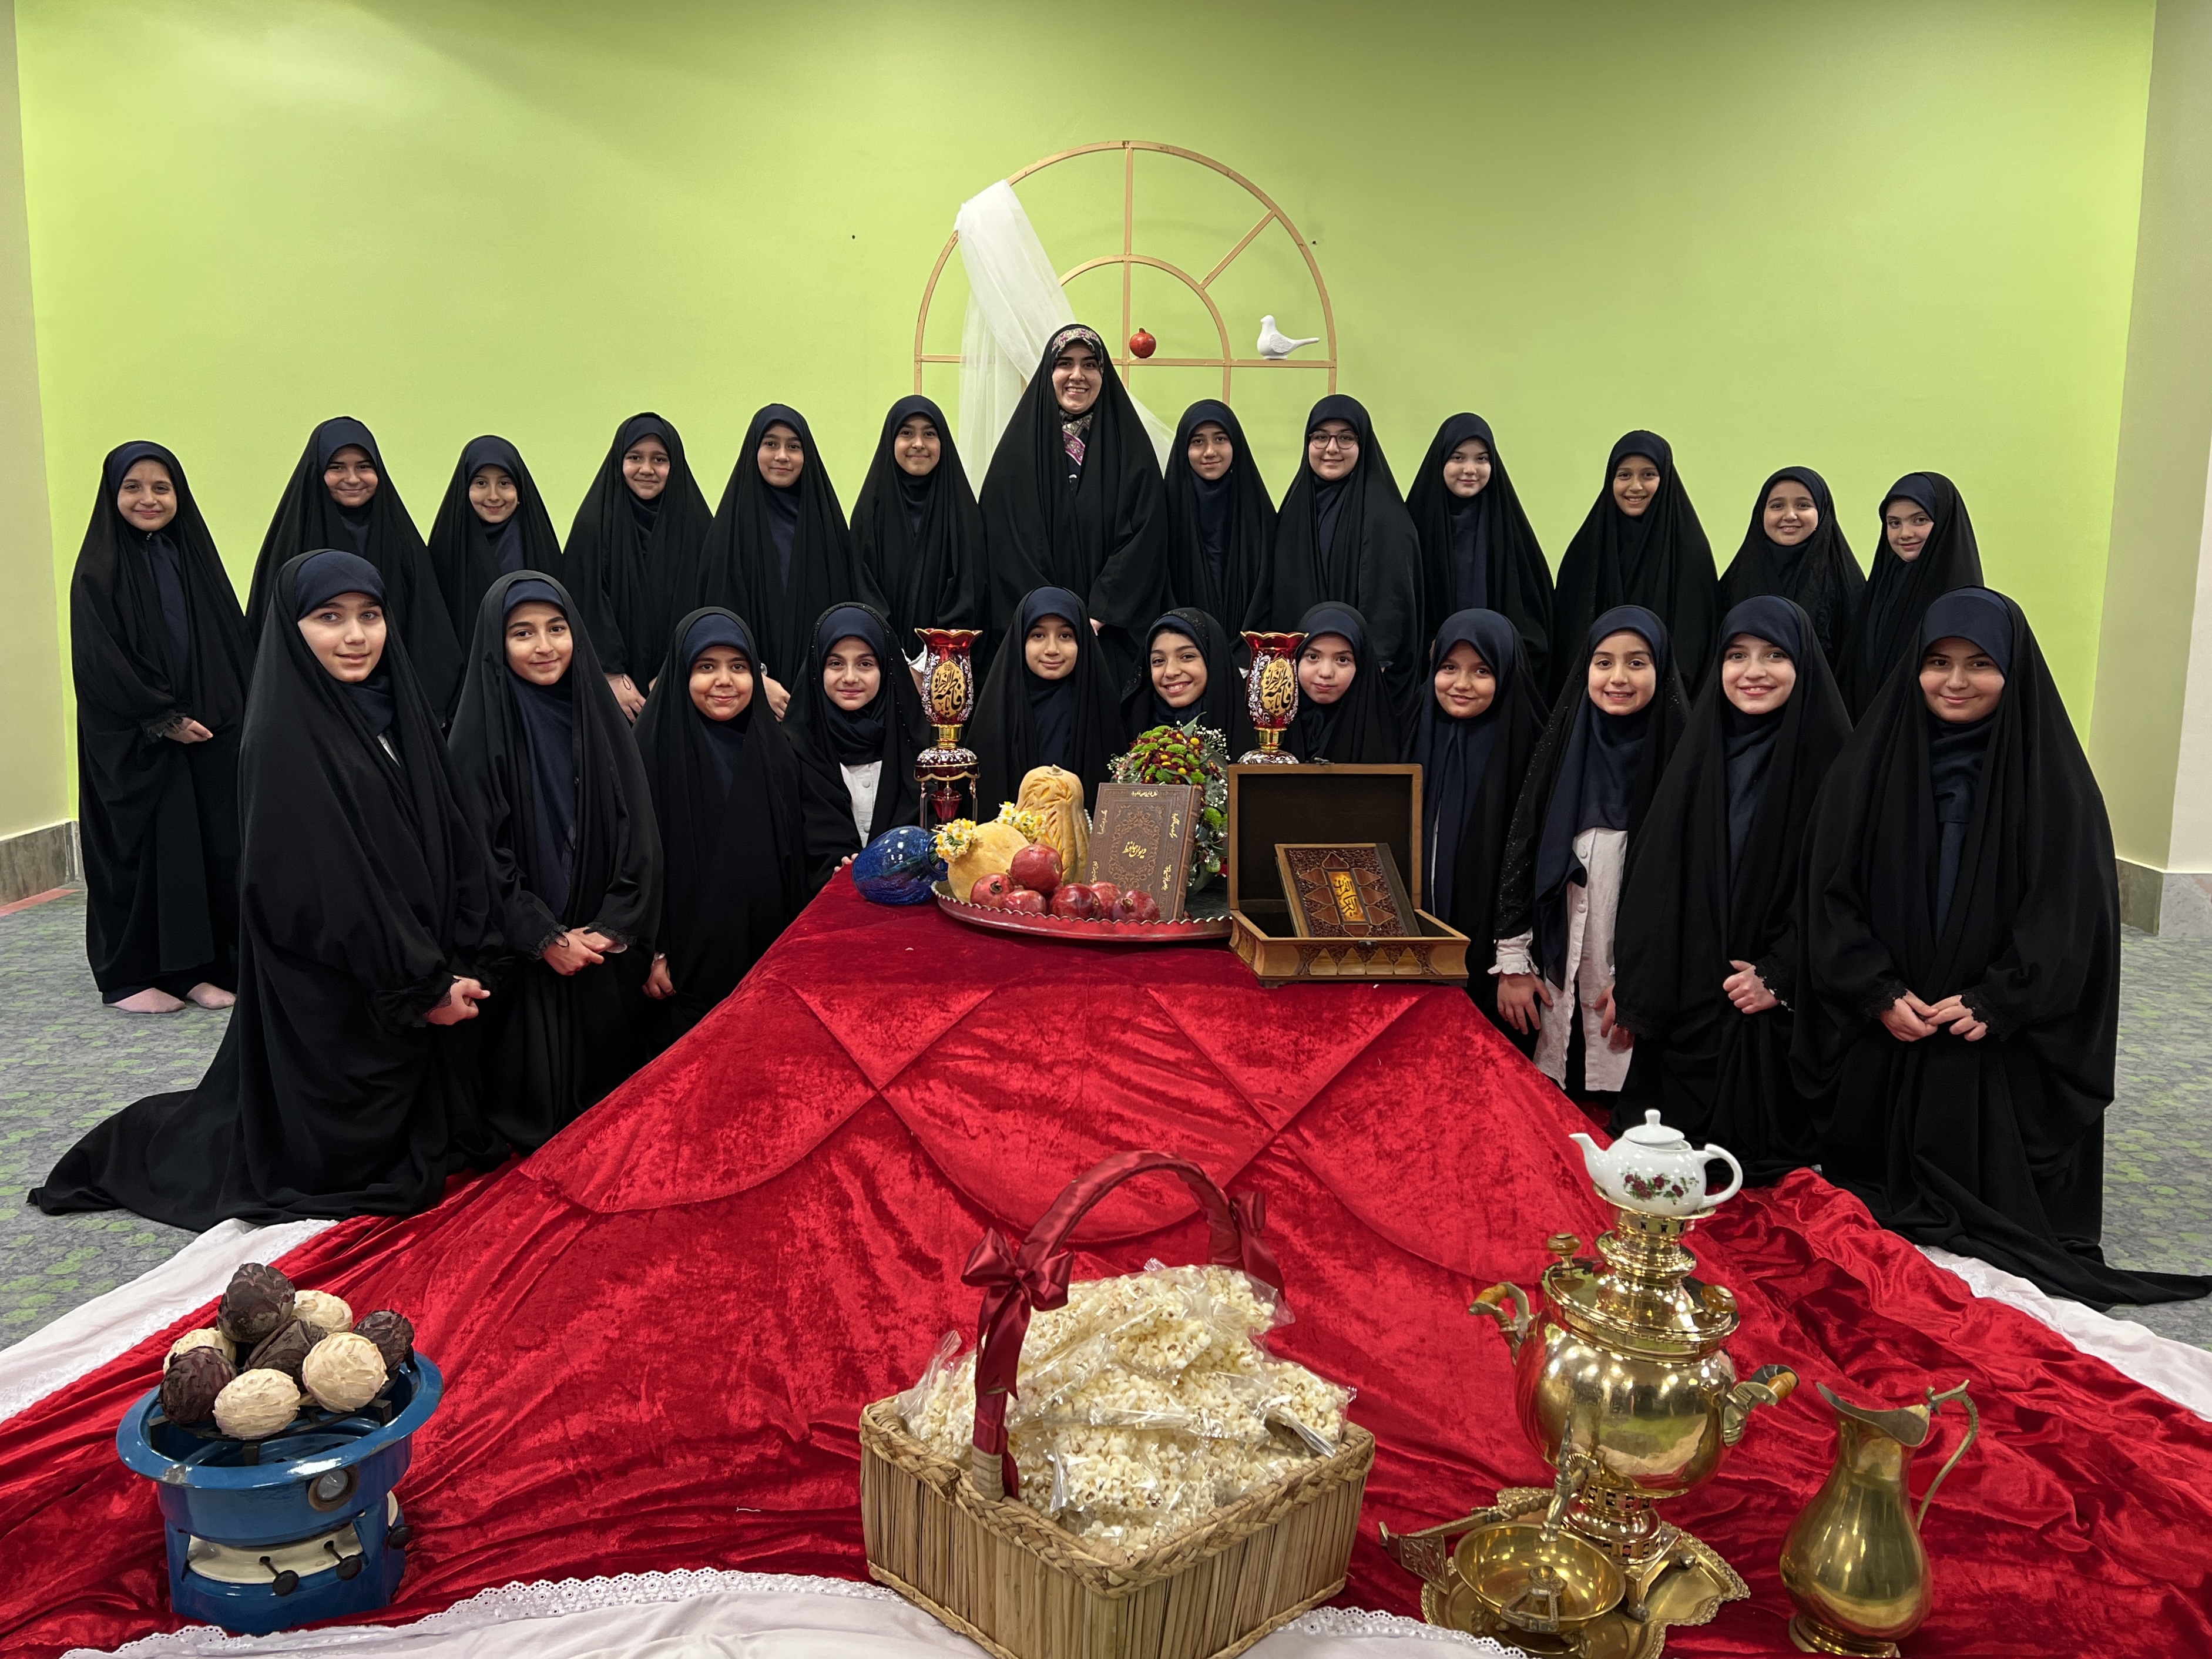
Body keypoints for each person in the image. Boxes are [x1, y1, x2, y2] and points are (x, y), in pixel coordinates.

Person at [32, 550, 502, 1228]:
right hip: (336, 990)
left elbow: (452, 834)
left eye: (370, 615)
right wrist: (421, 985)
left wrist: (457, 951)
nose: (355, 636)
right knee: (355, 1162)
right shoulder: (285, 737)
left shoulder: (398, 712)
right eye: (329, 618)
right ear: (292, 627)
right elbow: (327, 895)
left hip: (408, 965)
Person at [1794, 588, 2208, 1309]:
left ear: (2013, 672)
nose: (1955, 681)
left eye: (1980, 664)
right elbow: (1829, 892)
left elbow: (2069, 915)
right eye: (1938, 662)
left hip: (1993, 1035)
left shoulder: (2054, 780)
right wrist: (1875, 988)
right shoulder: (1869, 766)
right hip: (1893, 1021)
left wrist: (2001, 998)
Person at [1612, 597, 1850, 1167]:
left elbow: (1851, 895)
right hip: (1691, 1006)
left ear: (1803, 664)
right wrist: (1637, 986)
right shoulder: (1699, 754)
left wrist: (1783, 973)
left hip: (1778, 1022)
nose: (1753, 672)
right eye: (1737, 655)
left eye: (1775, 655)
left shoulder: (1840, 768)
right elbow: (1658, 883)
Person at [448, 573, 662, 1153]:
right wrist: (544, 937)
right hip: (525, 965)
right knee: (538, 1121)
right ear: (497, 643)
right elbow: (479, 856)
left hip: (603, 955)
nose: (544, 646)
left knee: (618, 1112)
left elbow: (639, 833)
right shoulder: (475, 738)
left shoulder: (603, 722)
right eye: (523, 633)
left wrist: (612, 925)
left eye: (557, 629)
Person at [71, 442, 253, 1014]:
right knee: (143, 854)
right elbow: (101, 662)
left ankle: (194, 970)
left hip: (202, 737)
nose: (148, 499)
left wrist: (227, 713)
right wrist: (161, 717)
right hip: (135, 740)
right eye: (133, 487)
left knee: (201, 854)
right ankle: (129, 977)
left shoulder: (192, 558)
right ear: (112, 494)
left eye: (161, 487)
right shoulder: (99, 570)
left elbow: (229, 642)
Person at [1493, 606, 1689, 1104]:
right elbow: (1521, 851)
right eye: (1603, 662)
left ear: (1662, 670)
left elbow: (1687, 892)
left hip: (1640, 1007)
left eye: (1636, 663)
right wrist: (1512, 963)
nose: (1617, 678)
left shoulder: (1684, 765)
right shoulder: (1561, 754)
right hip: (1552, 990)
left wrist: (1639, 983)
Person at [634, 608, 834, 1040]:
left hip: (765, 965)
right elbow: (635, 864)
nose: (724, 681)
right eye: (706, 667)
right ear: (682, 674)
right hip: (679, 972)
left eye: (738, 667)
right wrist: (652, 953)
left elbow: (796, 864)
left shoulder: (780, 754)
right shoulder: (648, 756)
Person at [979, 324, 1167, 689]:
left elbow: (1146, 535)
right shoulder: (1017, 454)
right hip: (1035, 639)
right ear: (1048, 373)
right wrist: (1053, 620)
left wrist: (1097, 613)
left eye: (1090, 364)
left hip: (1110, 637)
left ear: (1104, 374)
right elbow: (1005, 540)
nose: (1077, 375)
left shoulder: (1132, 452)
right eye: (1065, 363)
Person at [246, 417, 464, 714]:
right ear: (317, 471)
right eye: (337, 467)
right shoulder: (292, 540)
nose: (352, 479)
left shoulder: (403, 542)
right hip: (308, 703)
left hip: (397, 703)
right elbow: (270, 630)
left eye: (363, 467)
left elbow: (428, 626)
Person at [1406, 609, 1549, 1049]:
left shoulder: (1531, 750)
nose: (1461, 684)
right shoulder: (1412, 735)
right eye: (1449, 667)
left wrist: (1515, 962)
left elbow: (1533, 865)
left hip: (1494, 958)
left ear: (1506, 674)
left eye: (1481, 671)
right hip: (1415, 952)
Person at [699, 404, 881, 723]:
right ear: (754, 451)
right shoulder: (728, 533)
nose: (782, 456)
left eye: (794, 446)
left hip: (820, 700)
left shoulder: (830, 530)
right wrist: (755, 679)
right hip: (744, 701)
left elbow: (844, 618)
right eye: (771, 444)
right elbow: (718, 620)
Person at [1248, 395, 1422, 723]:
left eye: (1345, 438)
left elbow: (1392, 605)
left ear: (1362, 444)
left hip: (1360, 684)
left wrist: (1366, 669)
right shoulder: (1294, 509)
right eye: (1320, 437)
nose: (1331, 448)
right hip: (1296, 684)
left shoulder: (1387, 517)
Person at [562, 413, 716, 723]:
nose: (647, 469)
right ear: (619, 461)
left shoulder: (698, 527)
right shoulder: (593, 525)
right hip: (610, 691)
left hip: (685, 683)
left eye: (659, 459)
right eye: (635, 457)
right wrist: (610, 675)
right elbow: (584, 600)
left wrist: (676, 668)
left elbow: (708, 601)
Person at [1548, 432, 1717, 703]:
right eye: (1624, 475)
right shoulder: (1586, 550)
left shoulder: (1690, 552)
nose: (1635, 486)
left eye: (1648, 475)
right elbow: (1568, 638)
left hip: (1669, 705)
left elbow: (1697, 642)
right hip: (1594, 700)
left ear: (1665, 479)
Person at [1407, 414, 1555, 691]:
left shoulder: (1510, 531)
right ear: (1441, 460)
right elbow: (1401, 607)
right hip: (1429, 677)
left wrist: (1498, 649)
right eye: (1458, 457)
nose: (1470, 469)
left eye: (1482, 459)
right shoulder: (1413, 527)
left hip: (1497, 678)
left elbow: (1534, 617)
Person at [1833, 472, 1984, 720]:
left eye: (1920, 520)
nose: (1905, 533)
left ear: (1943, 522)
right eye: (1894, 523)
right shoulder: (1884, 583)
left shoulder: (1958, 593)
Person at [785, 601, 928, 862]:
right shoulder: (793, 750)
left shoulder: (919, 747)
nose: (850, 677)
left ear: (886, 669)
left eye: (865, 664)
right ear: (817, 669)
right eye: (836, 664)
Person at [849, 395, 986, 663]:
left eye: (929, 434)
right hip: (881, 662)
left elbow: (970, 591)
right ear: (891, 441)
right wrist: (895, 659)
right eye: (907, 433)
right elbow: (863, 589)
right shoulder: (869, 513)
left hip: (949, 665)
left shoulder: (963, 514)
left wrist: (931, 660)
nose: (919, 443)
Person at [969, 586, 1122, 810]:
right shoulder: (996, 717)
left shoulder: (1101, 714)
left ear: (1082, 641)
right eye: (1038, 635)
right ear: (1021, 640)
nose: (1052, 649)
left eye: (1065, 636)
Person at [425, 435, 565, 656]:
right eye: (481, 483)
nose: (493, 496)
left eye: (504, 483)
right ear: (465, 489)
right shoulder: (446, 549)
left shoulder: (539, 545)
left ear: (519, 490)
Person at [1714, 467, 1863, 672]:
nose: (1790, 515)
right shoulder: (1735, 582)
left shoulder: (1848, 584)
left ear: (1822, 511)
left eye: (1803, 505)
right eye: (1777, 506)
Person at [1162, 401, 1274, 637]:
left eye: (1220, 439)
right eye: (1198, 441)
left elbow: (1269, 590)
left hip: (1248, 647)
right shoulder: (1165, 510)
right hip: (1181, 643)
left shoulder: (1258, 512)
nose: (1210, 452)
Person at [1120, 608, 1254, 753]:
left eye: (1187, 657)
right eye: (1158, 660)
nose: (1170, 672)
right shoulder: (1131, 730)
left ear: (1214, 661)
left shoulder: (1256, 730)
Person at [1283, 603, 1400, 764]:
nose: (1326, 673)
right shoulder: (1269, 723)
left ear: (1361, 667)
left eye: (1343, 660)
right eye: (1313, 657)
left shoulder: (1380, 732)